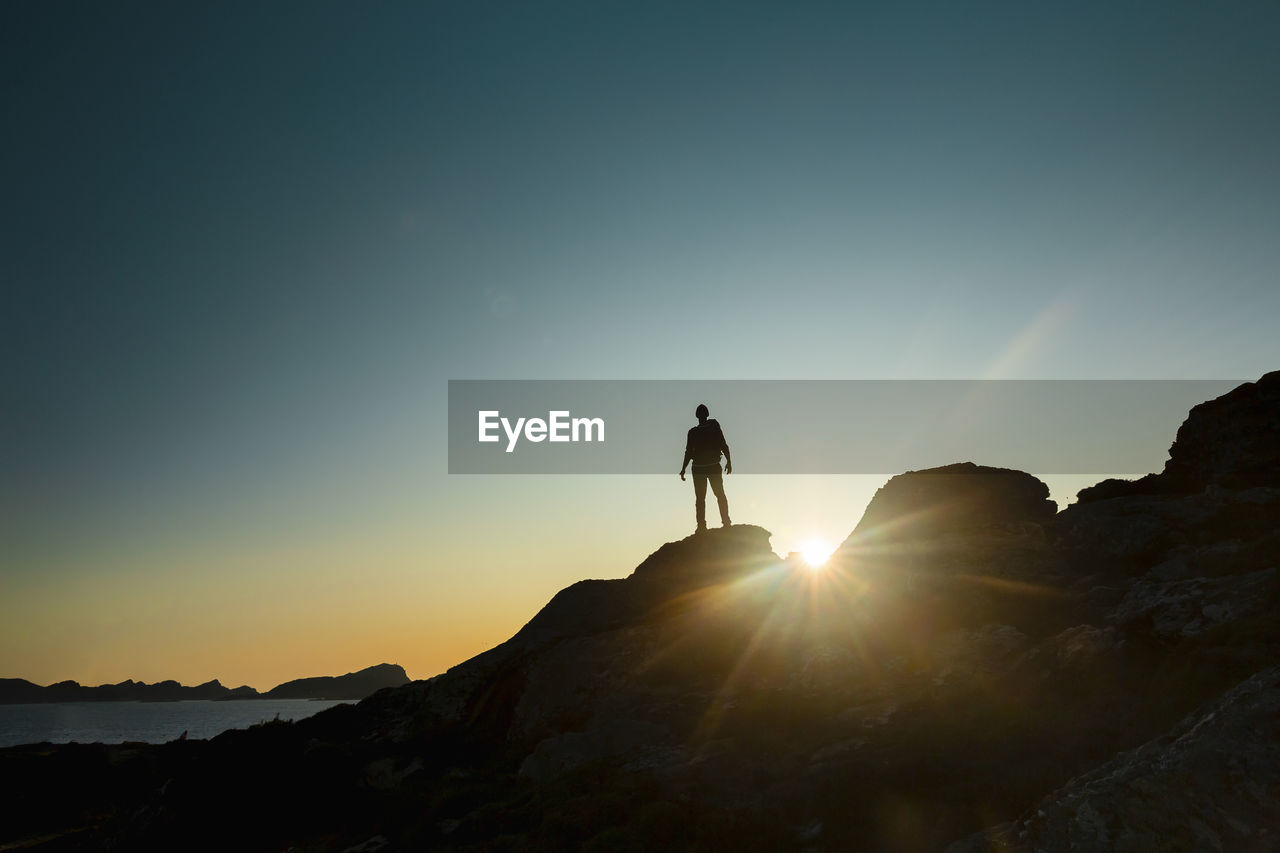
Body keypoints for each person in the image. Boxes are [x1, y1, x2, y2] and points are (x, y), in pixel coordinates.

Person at [679, 403, 732, 532]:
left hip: (707, 467)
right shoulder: (696, 431)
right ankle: (705, 525)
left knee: (713, 496)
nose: (702, 415)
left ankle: (722, 522)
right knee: (706, 497)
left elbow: (722, 443)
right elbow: (689, 452)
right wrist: (683, 468)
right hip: (701, 468)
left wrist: (729, 461)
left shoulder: (709, 426)